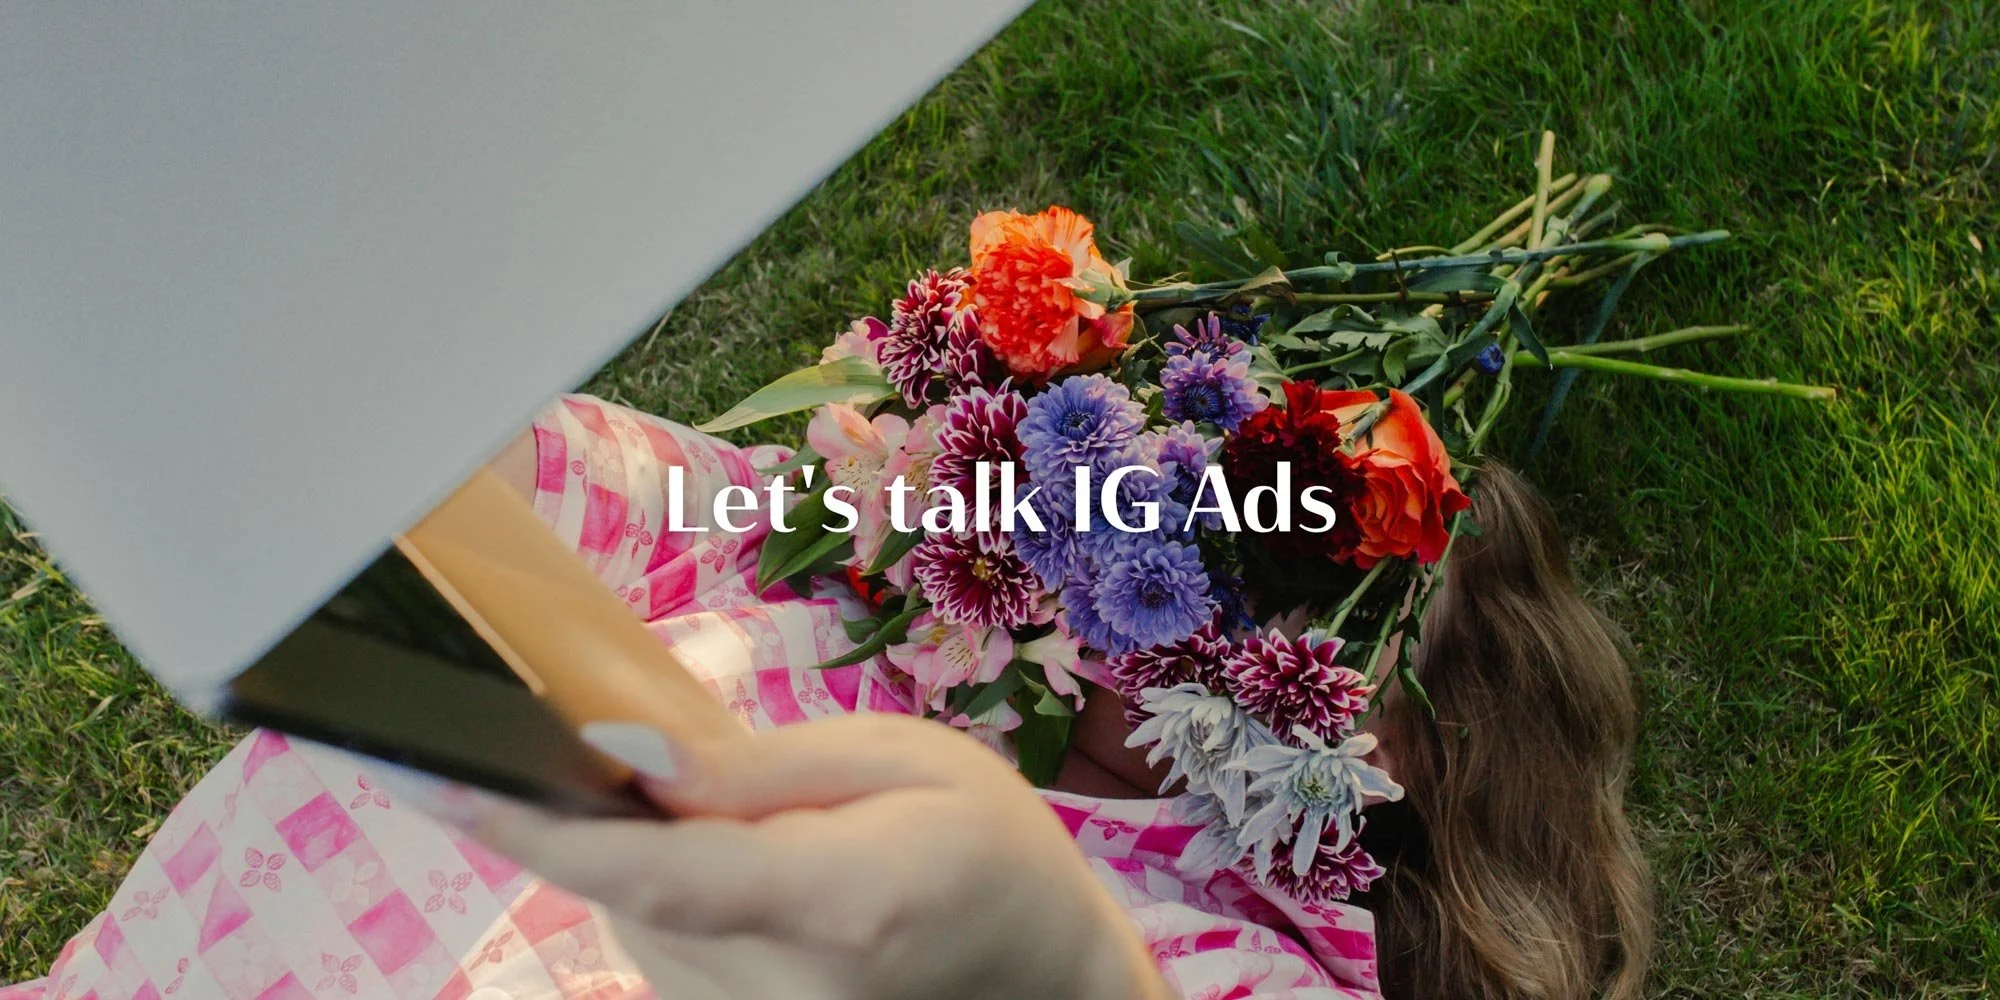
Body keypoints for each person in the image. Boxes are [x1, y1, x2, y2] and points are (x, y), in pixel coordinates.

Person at [2, 394, 1648, 1000]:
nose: (1173, 586)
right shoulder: (842, 551)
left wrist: (1050, 971)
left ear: (1388, 796)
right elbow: (526, 473)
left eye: (1279, 615)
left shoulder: (1238, 956)